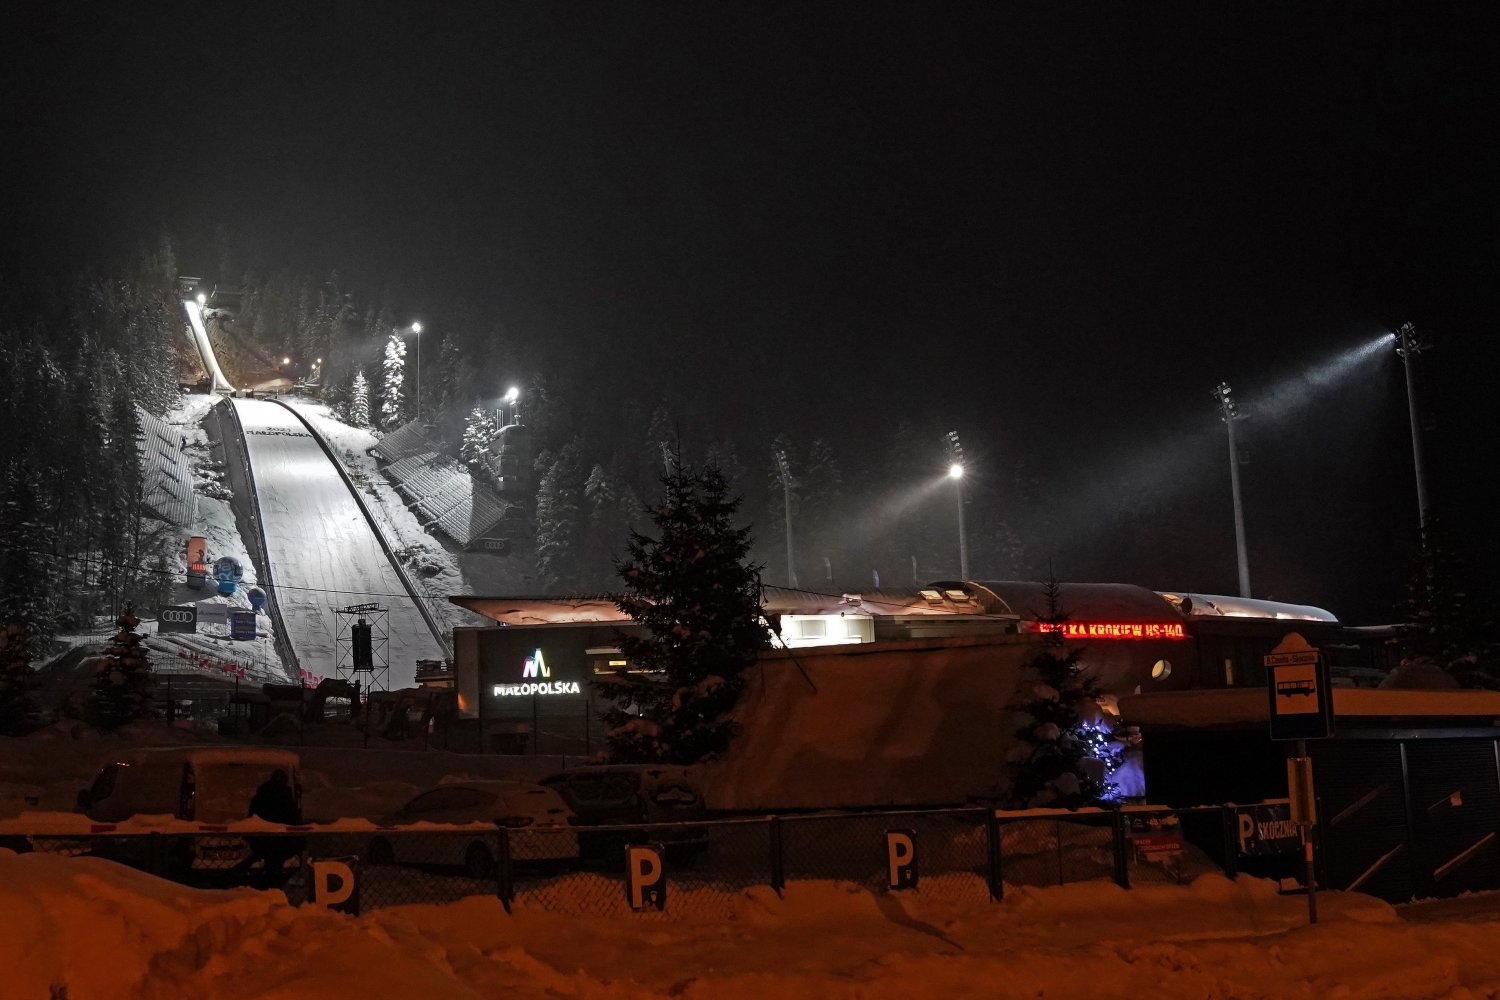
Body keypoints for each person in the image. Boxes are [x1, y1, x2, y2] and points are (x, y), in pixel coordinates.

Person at [243, 769, 302, 888]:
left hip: (263, 839)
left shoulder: (260, 796)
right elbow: (294, 819)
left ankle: (263, 887)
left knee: (268, 867)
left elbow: (252, 817)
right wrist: (299, 841)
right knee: (275, 868)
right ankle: (272, 888)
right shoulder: (286, 798)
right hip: (282, 841)